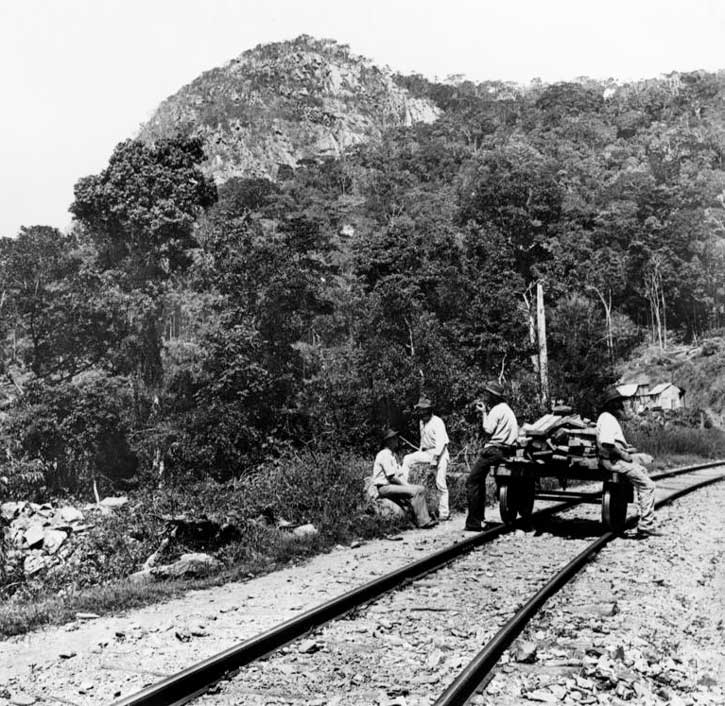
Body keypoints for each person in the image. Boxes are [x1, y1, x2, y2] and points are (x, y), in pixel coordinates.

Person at [596, 386, 659, 538]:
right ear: (614, 405)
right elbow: (607, 444)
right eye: (619, 403)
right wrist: (624, 455)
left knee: (642, 471)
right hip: (614, 461)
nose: (622, 406)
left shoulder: (605, 417)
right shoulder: (609, 419)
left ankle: (642, 511)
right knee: (648, 485)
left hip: (611, 459)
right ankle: (646, 524)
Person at [465, 380, 519, 531]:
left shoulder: (496, 410)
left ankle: (474, 522)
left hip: (495, 450)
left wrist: (483, 413)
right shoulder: (508, 410)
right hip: (507, 450)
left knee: (472, 481)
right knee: (478, 480)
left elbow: (488, 429)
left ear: (494, 396)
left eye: (488, 394)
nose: (486, 397)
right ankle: (479, 517)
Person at [372, 429, 436, 529]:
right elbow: (391, 477)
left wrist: (408, 485)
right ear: (388, 441)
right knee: (415, 491)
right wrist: (407, 486)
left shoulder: (392, 455)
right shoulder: (384, 454)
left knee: (420, 488)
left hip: (391, 486)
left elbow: (399, 475)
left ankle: (423, 518)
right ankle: (423, 522)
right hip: (385, 487)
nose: (396, 440)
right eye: (394, 438)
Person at [401, 397, 450, 521]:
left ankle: (444, 512)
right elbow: (423, 442)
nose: (421, 413)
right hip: (427, 452)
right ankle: (404, 487)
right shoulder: (422, 422)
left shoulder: (437, 422)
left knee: (440, 483)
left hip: (441, 453)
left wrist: (435, 459)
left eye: (423, 410)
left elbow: (442, 444)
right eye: (420, 410)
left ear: (429, 410)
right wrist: (420, 452)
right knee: (407, 459)